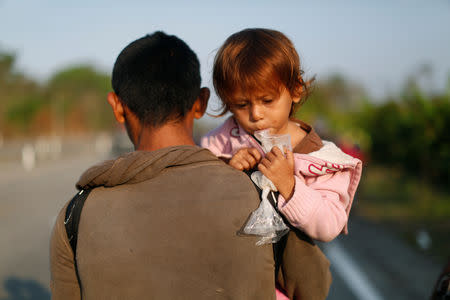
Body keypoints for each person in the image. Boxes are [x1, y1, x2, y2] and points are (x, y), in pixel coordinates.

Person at [50, 31, 277, 300]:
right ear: (201, 102)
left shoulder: (75, 215)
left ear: (117, 107)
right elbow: (311, 284)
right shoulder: (260, 190)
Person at [201, 28, 363, 300]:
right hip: (230, 279)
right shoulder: (228, 137)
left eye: (267, 100)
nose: (255, 114)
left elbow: (329, 225)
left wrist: (289, 185)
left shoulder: (320, 158)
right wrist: (227, 167)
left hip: (287, 287)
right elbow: (198, 178)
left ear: (296, 90)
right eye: (241, 104)